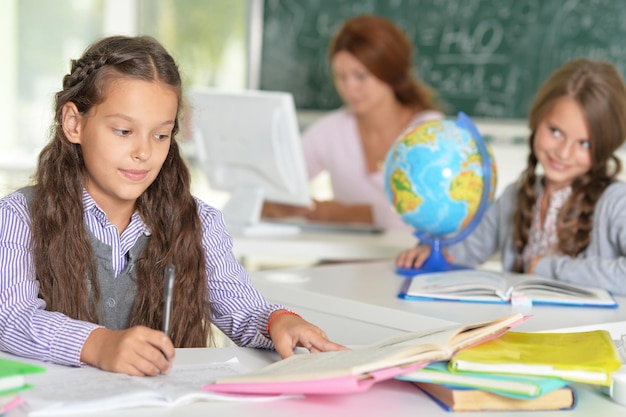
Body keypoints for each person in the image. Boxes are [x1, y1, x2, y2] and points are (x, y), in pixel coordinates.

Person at [0, 35, 345, 376]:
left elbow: (242, 309)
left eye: (160, 135)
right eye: (123, 131)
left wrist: (278, 322)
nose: (144, 152)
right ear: (74, 123)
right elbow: (12, 317)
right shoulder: (19, 216)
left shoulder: (199, 222)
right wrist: (99, 345)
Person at [396, 58, 626, 295]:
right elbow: (467, 248)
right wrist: (434, 250)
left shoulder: (616, 202)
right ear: (537, 120)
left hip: (588, 332)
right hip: (519, 328)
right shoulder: (515, 196)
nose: (564, 152)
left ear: (605, 147)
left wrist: (549, 268)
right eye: (555, 131)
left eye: (585, 143)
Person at [263, 14, 444, 229]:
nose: (350, 88)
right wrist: (282, 205)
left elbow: (420, 212)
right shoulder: (332, 130)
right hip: (343, 261)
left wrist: (333, 212)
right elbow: (271, 185)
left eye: (360, 76)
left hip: (408, 260)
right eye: (341, 77)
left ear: (390, 73)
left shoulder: (429, 133)